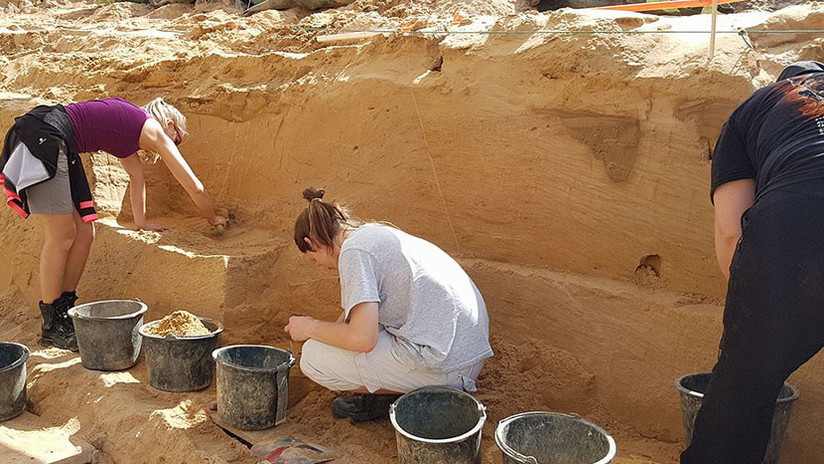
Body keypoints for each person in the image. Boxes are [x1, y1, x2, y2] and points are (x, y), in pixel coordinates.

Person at [0, 97, 227, 351]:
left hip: (58, 139)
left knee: (85, 233)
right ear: (170, 125)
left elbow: (136, 178)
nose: (174, 146)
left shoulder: (130, 132)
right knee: (62, 235)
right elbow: (195, 187)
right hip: (45, 135)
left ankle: (64, 310)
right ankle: (52, 325)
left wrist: (142, 223)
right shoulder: (152, 129)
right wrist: (212, 217)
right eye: (178, 140)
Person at [681, 61, 824, 464]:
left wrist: (752, 318)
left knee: (743, 391)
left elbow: (730, 231)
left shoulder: (754, 107)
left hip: (801, 217)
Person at [285, 187, 493, 421]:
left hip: (448, 368)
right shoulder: (372, 234)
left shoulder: (353, 253)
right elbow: (351, 318)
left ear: (311, 243)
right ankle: (402, 392)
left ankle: (397, 402)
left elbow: (362, 339)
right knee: (356, 333)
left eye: (313, 259)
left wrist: (310, 328)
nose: (321, 266)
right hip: (466, 353)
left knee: (313, 357)